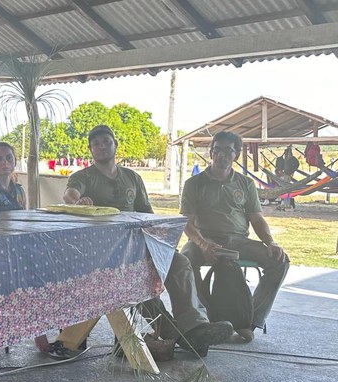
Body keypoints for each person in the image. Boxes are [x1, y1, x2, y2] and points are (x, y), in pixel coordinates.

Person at [62, 125, 233, 357]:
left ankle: (194, 325)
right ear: (90, 150)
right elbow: (69, 195)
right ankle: (178, 335)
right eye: (96, 144)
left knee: (180, 262)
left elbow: (148, 214)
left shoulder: (132, 177)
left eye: (106, 142)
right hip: (104, 253)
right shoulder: (83, 176)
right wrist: (77, 202)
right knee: (136, 280)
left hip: (139, 244)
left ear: (115, 145)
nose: (101, 147)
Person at [181, 131, 289, 342]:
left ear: (236, 155)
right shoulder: (194, 184)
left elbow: (257, 220)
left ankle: (250, 320)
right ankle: (205, 320)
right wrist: (203, 244)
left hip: (238, 240)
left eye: (228, 151)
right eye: (217, 150)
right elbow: (186, 223)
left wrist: (271, 243)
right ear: (210, 152)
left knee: (280, 261)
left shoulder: (245, 184)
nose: (221, 155)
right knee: (184, 261)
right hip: (204, 239)